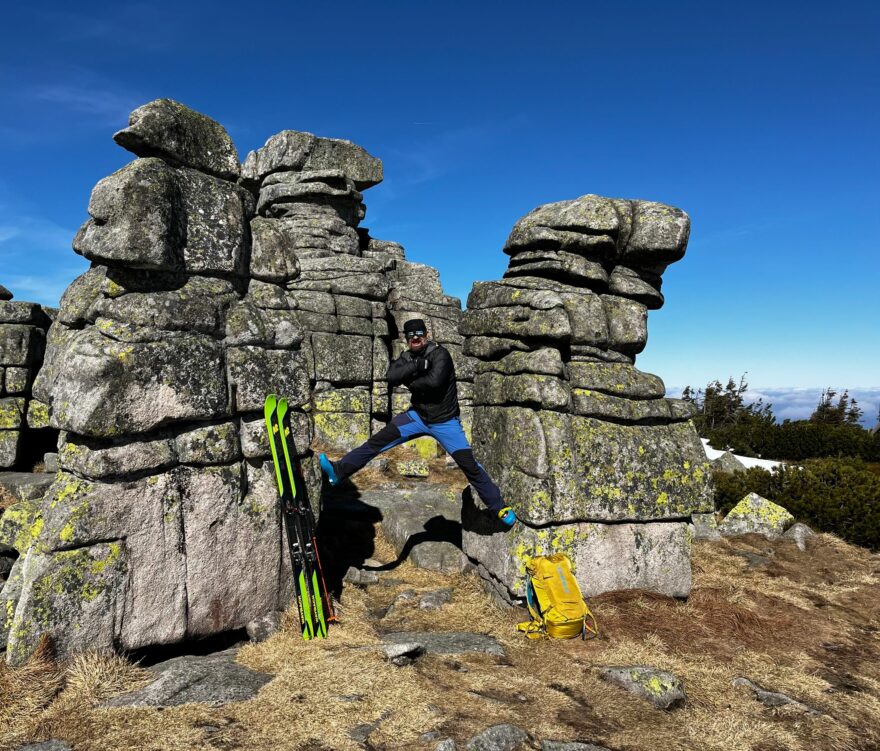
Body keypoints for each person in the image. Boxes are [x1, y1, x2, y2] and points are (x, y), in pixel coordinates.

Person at [318, 318, 516, 526]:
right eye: (411, 335)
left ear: (426, 335)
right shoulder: (407, 356)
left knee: (469, 466)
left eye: (419, 334)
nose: (415, 338)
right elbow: (392, 376)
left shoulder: (441, 354)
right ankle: (339, 471)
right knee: (376, 443)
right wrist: (417, 364)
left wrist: (410, 379)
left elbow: (434, 382)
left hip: (446, 422)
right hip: (417, 417)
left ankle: (499, 507)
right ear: (406, 338)